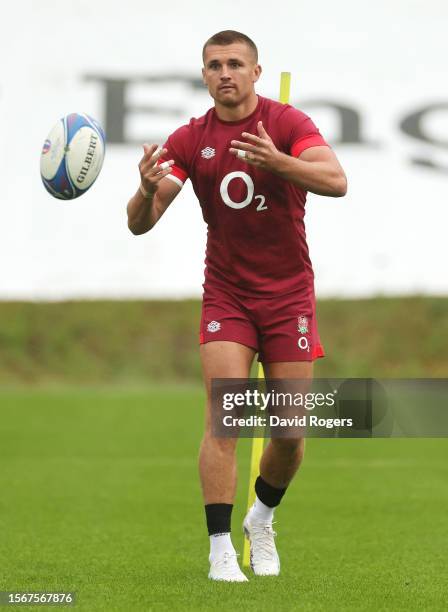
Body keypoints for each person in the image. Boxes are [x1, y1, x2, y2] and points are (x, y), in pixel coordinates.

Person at [127, 30, 347, 582]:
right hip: (228, 295)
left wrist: (280, 163)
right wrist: (143, 190)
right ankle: (219, 547)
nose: (224, 72)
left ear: (256, 72)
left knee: (290, 435)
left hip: (288, 295)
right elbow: (142, 221)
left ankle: (262, 517)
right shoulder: (189, 139)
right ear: (204, 75)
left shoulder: (288, 126)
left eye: (234, 64)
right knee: (226, 419)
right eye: (214, 65)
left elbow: (336, 181)